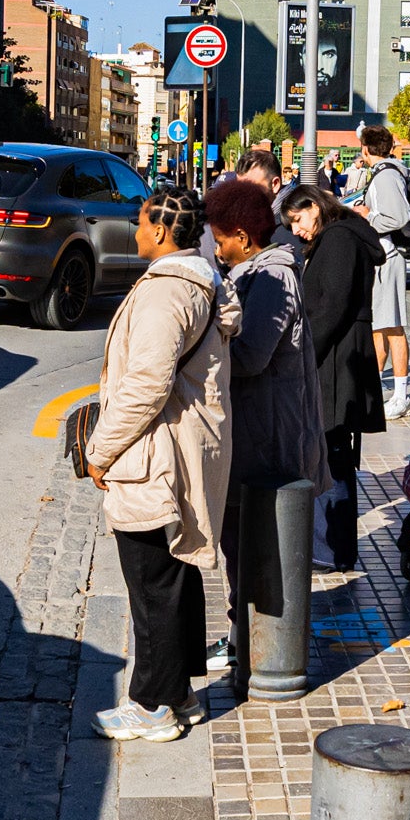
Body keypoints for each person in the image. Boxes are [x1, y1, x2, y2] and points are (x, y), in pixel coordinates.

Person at [86, 191, 240, 742]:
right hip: (180, 446)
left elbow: (147, 385)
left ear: (160, 230)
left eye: (140, 222)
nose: (134, 232)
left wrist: (99, 450)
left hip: (156, 453)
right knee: (172, 574)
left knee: (150, 581)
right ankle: (178, 692)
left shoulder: (165, 294)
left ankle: (152, 705)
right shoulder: (201, 282)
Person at [207, 177, 322, 700]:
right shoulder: (260, 271)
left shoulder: (273, 279)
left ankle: (250, 651)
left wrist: (208, 342)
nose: (214, 247)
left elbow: (252, 356)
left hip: (268, 436)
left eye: (219, 237)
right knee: (242, 544)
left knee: (252, 545)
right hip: (260, 428)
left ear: (241, 236)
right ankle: (241, 642)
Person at [288, 185, 387, 571]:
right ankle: (332, 549)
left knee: (329, 452)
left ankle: (329, 550)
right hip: (342, 354)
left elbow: (329, 307)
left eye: (298, 220)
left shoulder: (339, 238)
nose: (297, 230)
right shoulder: (341, 235)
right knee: (333, 450)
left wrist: (303, 354)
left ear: (315, 207)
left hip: (335, 357)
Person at [342, 123, 410, 419]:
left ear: (365, 148)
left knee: (393, 325)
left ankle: (400, 396)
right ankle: (374, 388)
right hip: (384, 257)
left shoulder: (386, 175)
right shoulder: (385, 173)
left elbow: (398, 216)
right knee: (380, 326)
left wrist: (367, 215)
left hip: (388, 256)